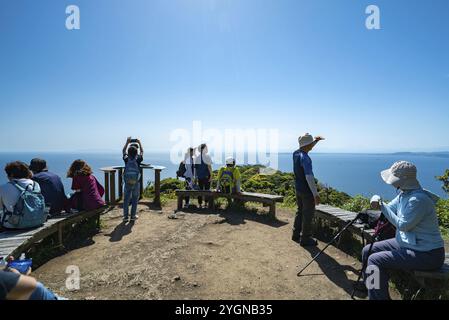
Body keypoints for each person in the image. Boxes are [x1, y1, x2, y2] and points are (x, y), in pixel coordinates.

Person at [363, 161, 445, 300]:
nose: (391, 182)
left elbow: (403, 225)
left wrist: (382, 206)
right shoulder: (404, 194)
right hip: (410, 243)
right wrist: (378, 199)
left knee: (375, 260)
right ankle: (372, 287)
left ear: (404, 180)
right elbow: (390, 208)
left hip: (428, 254)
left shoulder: (418, 200)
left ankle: (377, 297)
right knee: (367, 250)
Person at [292, 133, 325, 247]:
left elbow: (305, 146)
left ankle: (296, 234)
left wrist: (316, 141)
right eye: (311, 143)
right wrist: (315, 194)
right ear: (307, 144)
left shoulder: (296, 153)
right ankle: (305, 239)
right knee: (308, 215)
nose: (312, 145)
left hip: (298, 189)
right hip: (307, 191)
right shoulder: (305, 158)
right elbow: (309, 177)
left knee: (300, 211)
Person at [0, 162, 43, 228]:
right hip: (37, 221)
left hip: (13, 225)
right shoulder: (35, 185)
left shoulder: (3, 187)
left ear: (11, 175)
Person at [122, 137, 144, 222]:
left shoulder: (126, 159)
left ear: (128, 152)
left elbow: (123, 151)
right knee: (135, 198)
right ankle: (133, 216)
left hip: (127, 182)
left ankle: (125, 217)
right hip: (136, 182)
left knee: (126, 199)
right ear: (136, 152)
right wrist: (139, 142)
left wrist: (127, 142)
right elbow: (142, 151)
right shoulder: (138, 159)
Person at [195, 144, 213, 208]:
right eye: (206, 148)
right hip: (206, 176)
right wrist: (211, 176)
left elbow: (196, 169)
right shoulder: (207, 157)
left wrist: (196, 177)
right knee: (207, 190)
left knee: (200, 191)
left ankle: (200, 204)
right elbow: (209, 167)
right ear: (203, 149)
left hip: (199, 177)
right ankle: (205, 204)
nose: (207, 149)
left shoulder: (197, 158)